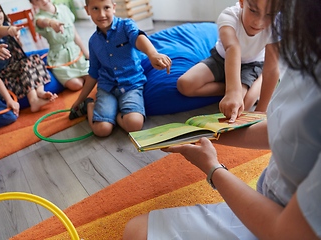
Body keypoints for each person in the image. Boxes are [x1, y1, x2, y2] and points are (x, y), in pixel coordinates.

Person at [123, 0, 321, 239]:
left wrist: (213, 168)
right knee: (137, 229)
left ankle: (250, 87)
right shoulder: (304, 59)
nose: (261, 22)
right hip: (274, 201)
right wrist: (207, 132)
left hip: (280, 226)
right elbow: (285, 129)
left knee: (136, 232)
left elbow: (287, 232)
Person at [69, 0, 172, 137]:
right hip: (107, 88)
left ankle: (113, 116)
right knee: (101, 130)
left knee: (134, 124)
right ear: (87, 10)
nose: (102, 14)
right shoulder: (93, 41)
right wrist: (80, 99)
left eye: (106, 7)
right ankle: (90, 106)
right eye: (95, 8)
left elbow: (137, 37)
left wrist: (153, 54)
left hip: (131, 85)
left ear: (114, 8)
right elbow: (93, 72)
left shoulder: (126, 26)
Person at [177, 0, 280, 122]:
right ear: (242, 2)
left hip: (252, 64)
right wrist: (232, 91)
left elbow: (272, 68)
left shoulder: (277, 24)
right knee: (185, 85)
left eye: (269, 14)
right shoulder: (229, 16)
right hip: (221, 58)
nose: (259, 22)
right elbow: (233, 48)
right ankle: (231, 86)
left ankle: (259, 80)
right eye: (253, 11)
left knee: (242, 105)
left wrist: (261, 111)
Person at [0, 0, 58, 113]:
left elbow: (18, 52)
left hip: (16, 67)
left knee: (34, 58)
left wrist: (15, 35)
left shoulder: (7, 25)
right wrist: (9, 29)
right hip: (4, 73)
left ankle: (40, 91)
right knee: (24, 64)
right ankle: (34, 101)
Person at [30, 0, 90, 91]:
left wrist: (87, 54)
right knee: (76, 85)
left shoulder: (64, 9)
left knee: (92, 77)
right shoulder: (38, 18)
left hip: (76, 54)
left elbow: (75, 35)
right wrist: (51, 23)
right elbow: (42, 21)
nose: (43, 0)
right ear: (33, 3)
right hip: (58, 59)